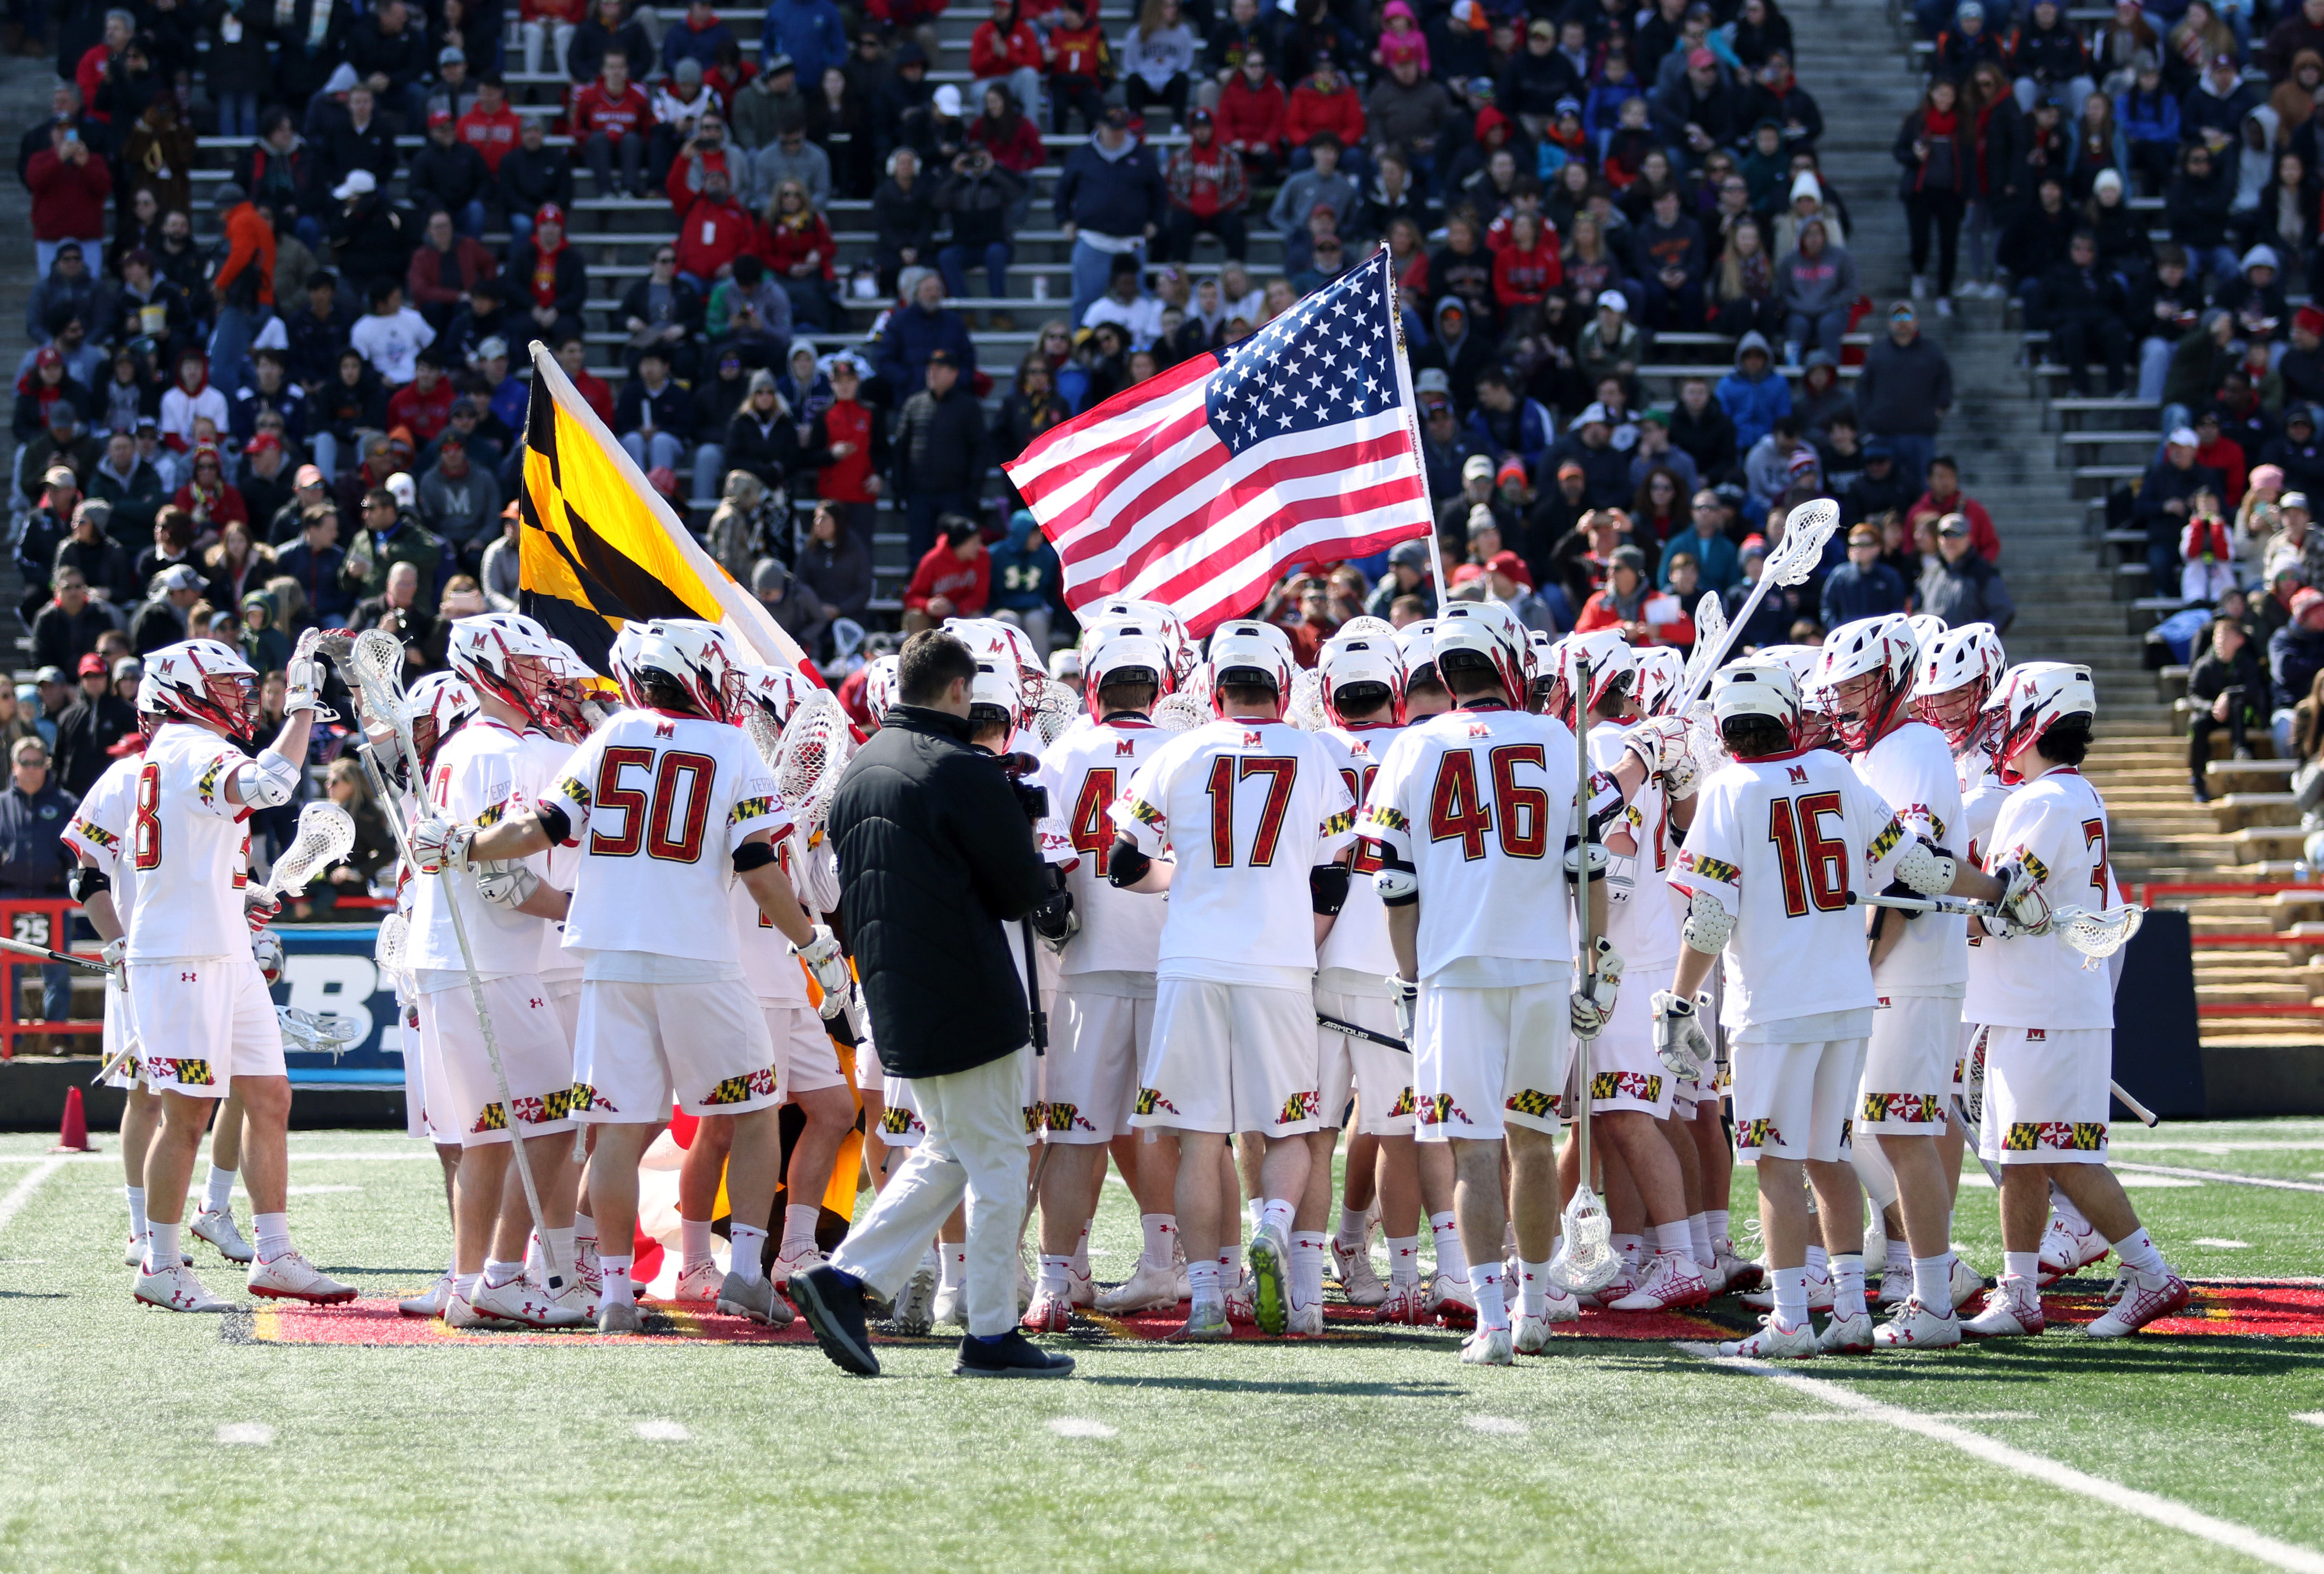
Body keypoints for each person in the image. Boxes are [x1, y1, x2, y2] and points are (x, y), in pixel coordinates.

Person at [1652, 658, 1999, 1360]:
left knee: (1777, 1164)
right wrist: (1993, 889)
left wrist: (1680, 998)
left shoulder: (1728, 789)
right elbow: (1923, 868)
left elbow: (1710, 915)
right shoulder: (1840, 775)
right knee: (1827, 1153)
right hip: (1846, 995)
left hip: (1774, 1004)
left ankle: (1789, 1319)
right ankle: (1846, 1309)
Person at [790, 628, 1067, 1379]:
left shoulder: (859, 770)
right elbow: (1020, 891)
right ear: (957, 689)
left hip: (894, 986)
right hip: (964, 988)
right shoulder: (959, 768)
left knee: (950, 1149)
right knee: (1001, 1162)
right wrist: (1018, 824)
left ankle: (845, 1279)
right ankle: (988, 1333)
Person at [1098, 620, 1354, 1342]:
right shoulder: (1312, 750)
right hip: (1276, 961)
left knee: (1200, 1137)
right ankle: (1273, 1227)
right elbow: (1334, 872)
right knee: (1292, 1126)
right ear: (1280, 680)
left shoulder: (1179, 750)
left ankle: (1208, 1300)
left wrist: (1186, 878)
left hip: (1192, 959)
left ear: (1215, 684)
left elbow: (1122, 862)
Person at [1957, 664, 2190, 1341]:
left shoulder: (2043, 802)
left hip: (2044, 1002)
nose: (1999, 728)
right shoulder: (2069, 793)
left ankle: (2150, 1272)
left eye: (2009, 715)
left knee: (2059, 1154)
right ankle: (2020, 1293)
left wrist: (1940, 916)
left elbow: (2007, 904)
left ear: (2037, 718)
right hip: (2041, 999)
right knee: (2023, 1153)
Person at [128, 636, 353, 1312]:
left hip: (220, 943)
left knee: (269, 1096)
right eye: (226, 685)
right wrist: (306, 704)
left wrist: (242, 893)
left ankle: (274, 1249)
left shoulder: (184, 751)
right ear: (182, 690)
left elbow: (200, 846)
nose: (241, 697)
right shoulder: (191, 747)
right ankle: (161, 1261)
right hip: (185, 954)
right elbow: (272, 783)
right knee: (188, 1113)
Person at [1019, 621, 1178, 1327]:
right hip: (1176, 958)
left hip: (1088, 962)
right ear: (1156, 683)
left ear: (1095, 683)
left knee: (1075, 1130)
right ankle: (1177, 1266)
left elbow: (1043, 863)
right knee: (1178, 1130)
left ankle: (1055, 1281)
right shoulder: (1183, 748)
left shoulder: (1065, 751)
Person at [0, 734, 76, 1029]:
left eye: (37, 762)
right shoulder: (2, 804)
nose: (31, 769)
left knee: (57, 969)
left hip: (53, 897)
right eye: (25, 762)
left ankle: (57, 1033)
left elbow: (82, 842)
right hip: (9, 898)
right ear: (14, 766)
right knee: (6, 971)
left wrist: (61, 863)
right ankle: (9, 1034)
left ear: (47, 765)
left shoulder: (66, 802)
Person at [892, 350, 991, 563]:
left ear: (954, 374)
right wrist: (899, 489)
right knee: (919, 553)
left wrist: (973, 491)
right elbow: (900, 450)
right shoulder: (914, 404)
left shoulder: (968, 406)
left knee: (956, 551)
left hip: (954, 495)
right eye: (930, 369)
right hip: (919, 494)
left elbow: (981, 450)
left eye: (939, 369)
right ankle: (918, 594)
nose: (932, 373)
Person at [2187, 614, 2267, 799]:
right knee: (2198, 722)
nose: (2220, 641)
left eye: (2225, 637)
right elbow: (2193, 696)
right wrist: (2212, 708)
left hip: (2240, 716)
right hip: (2212, 715)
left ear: (2239, 641)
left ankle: (2240, 751)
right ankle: (2198, 777)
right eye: (2217, 637)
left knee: (2239, 705)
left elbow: (2254, 690)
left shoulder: (2247, 663)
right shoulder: (2204, 665)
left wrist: (2228, 695)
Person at [1919, 513, 2016, 630]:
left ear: (1968, 538)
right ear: (1939, 539)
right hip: (1934, 647)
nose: (1951, 540)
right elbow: (1917, 609)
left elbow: (2004, 610)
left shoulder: (1982, 573)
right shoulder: (1930, 573)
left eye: (1957, 534)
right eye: (1946, 534)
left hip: (1968, 648)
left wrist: (1979, 638)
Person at [1822, 524, 1910, 626]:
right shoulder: (1839, 576)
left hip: (1880, 637)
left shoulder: (1890, 577)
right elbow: (1827, 609)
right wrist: (1838, 632)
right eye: (1853, 545)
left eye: (1863, 545)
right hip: (1848, 638)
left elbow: (1898, 611)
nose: (1857, 549)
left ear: (1877, 548)